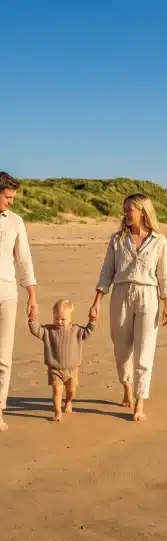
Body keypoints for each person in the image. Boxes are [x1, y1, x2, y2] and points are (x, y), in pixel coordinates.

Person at [89, 193, 167, 422]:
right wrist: (97, 301)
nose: (126, 214)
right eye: (124, 210)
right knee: (122, 349)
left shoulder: (159, 241)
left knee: (145, 350)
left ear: (143, 212)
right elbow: (107, 272)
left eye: (130, 210)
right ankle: (126, 386)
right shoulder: (117, 240)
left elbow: (164, 276)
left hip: (148, 296)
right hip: (121, 295)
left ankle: (140, 401)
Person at [0, 172, 38, 432]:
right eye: (7, 196)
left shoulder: (15, 222)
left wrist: (32, 295)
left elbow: (24, 260)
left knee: (3, 355)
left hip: (7, 292)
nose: (12, 201)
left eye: (13, 197)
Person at [28, 299, 95, 422]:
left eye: (63, 319)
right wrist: (32, 319)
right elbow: (36, 330)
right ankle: (58, 411)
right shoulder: (48, 331)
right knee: (57, 391)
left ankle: (68, 402)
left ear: (70, 318)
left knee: (71, 391)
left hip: (72, 369)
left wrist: (92, 320)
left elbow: (88, 332)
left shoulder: (76, 330)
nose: (59, 322)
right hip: (55, 369)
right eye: (56, 318)